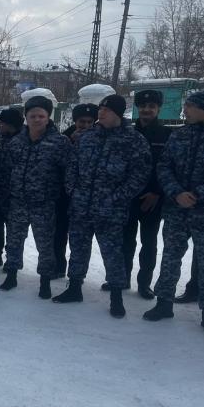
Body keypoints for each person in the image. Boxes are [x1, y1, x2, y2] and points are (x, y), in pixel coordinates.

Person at [52, 94, 151, 318]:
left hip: (111, 209)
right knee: (78, 248)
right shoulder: (87, 138)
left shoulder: (133, 140)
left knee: (113, 253)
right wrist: (73, 191)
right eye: (100, 110)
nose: (101, 113)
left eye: (106, 110)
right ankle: (74, 288)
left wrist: (118, 197)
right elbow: (72, 167)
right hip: (81, 205)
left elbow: (139, 175)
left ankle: (116, 297)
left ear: (117, 114)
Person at [144, 90, 204, 336]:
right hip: (176, 209)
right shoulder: (180, 135)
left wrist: (196, 195)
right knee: (171, 257)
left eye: (189, 106)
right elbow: (163, 166)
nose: (184, 110)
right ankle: (164, 304)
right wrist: (176, 193)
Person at [96, 90, 171, 299]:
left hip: (152, 199)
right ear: (137, 108)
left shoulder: (166, 135)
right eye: (144, 106)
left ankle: (144, 283)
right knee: (125, 241)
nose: (147, 110)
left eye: (152, 107)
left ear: (158, 109)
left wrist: (156, 192)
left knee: (149, 243)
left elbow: (166, 166)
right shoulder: (125, 131)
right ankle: (122, 278)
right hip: (127, 198)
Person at [0, 97, 71, 298]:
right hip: (18, 201)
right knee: (14, 241)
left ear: (48, 117)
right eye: (32, 116)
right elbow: (7, 170)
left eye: (41, 116)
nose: (37, 119)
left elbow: (70, 173)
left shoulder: (59, 142)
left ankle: (45, 281)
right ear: (26, 117)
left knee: (45, 245)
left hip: (44, 204)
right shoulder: (16, 142)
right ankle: (11, 274)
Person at [53, 103, 98, 278]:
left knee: (80, 239)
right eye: (81, 122)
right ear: (75, 121)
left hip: (87, 197)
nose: (85, 126)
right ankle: (58, 266)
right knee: (59, 233)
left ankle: (77, 274)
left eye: (89, 122)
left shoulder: (100, 140)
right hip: (64, 195)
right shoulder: (64, 138)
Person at [0, 106, 24, 268]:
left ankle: (12, 260)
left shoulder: (24, 141)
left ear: (11, 124)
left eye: (2, 122)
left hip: (14, 195)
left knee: (14, 231)